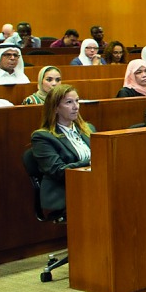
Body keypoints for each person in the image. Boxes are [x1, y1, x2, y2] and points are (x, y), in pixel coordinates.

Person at [29, 84, 94, 212]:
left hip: (91, 186)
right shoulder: (42, 137)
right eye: (69, 102)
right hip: (63, 192)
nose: (76, 106)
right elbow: (58, 171)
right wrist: (91, 163)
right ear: (55, 108)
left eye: (77, 101)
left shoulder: (88, 129)